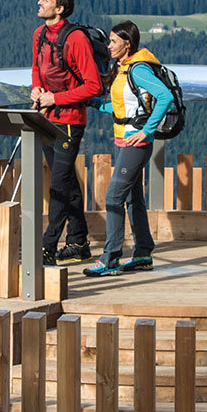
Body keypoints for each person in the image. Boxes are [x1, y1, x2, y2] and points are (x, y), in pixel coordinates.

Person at [80, 21, 175, 276]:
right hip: (126, 139)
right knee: (133, 198)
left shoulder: (139, 69)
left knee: (114, 197)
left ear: (127, 43)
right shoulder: (123, 69)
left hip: (138, 141)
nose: (108, 46)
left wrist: (147, 131)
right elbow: (124, 109)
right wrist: (95, 104)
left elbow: (165, 97)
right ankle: (143, 254)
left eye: (113, 41)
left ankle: (110, 259)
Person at [27, 0, 102, 265]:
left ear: (60, 8)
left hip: (69, 122)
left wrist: (53, 97)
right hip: (47, 119)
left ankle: (46, 248)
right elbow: (37, 68)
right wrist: (36, 90)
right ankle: (78, 242)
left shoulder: (76, 39)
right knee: (67, 183)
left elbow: (93, 86)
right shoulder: (39, 35)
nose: (39, 1)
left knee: (58, 186)